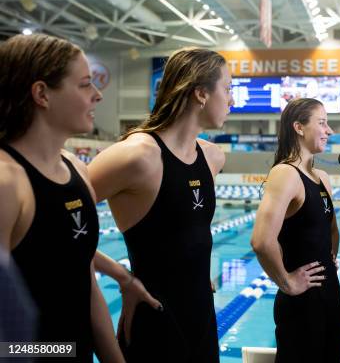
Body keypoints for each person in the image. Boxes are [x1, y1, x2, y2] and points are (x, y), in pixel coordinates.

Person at [88, 47, 233, 362]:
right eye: (228, 88)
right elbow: (55, 217)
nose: (232, 100)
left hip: (202, 320)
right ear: (201, 94)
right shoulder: (136, 156)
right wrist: (122, 277)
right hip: (154, 321)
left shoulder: (212, 157)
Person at [0, 34, 124, 362]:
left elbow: (86, 284)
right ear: (42, 93)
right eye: (85, 85)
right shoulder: (7, 183)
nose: (97, 95)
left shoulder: (78, 171)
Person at [251, 98, 340, 362]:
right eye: (322, 123)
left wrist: (329, 259)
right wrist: (287, 281)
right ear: (299, 127)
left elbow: (331, 231)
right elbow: (261, 240)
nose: (330, 131)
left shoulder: (322, 178)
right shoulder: (286, 174)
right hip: (302, 305)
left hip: (330, 296)